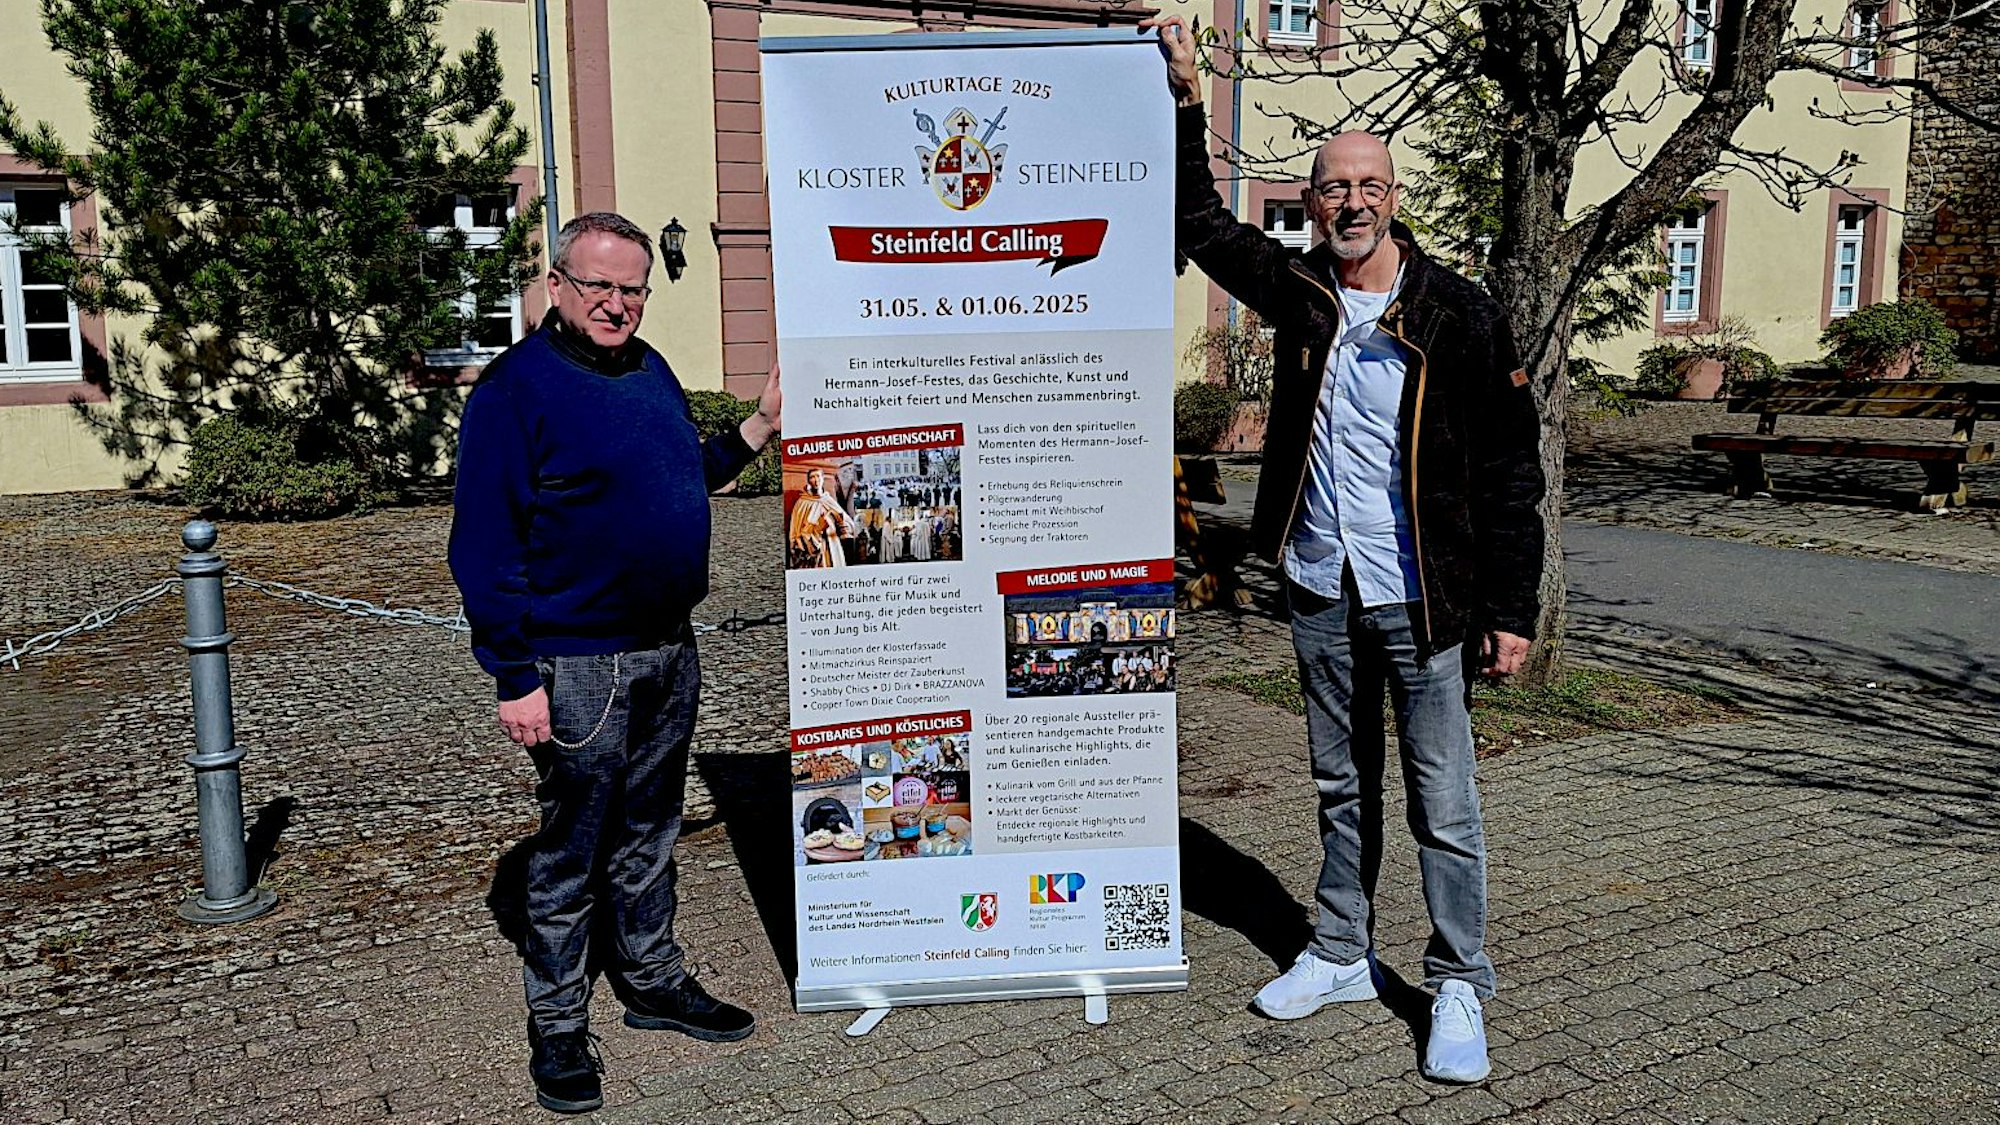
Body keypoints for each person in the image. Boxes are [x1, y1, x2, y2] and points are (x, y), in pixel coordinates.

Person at [1148, 18, 1545, 1085]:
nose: (1351, 203)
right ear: (1314, 203)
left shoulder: (1458, 315)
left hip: (1424, 597)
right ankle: (1337, 949)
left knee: (1443, 801)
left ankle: (1456, 980)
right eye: (1332, 189)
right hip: (1322, 582)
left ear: (1395, 197)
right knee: (1338, 781)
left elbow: (1512, 471)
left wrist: (1511, 610)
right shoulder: (1303, 293)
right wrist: (1186, 98)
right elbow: (1199, 222)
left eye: (1368, 186)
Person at [449, 211, 781, 1114]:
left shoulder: (650, 370)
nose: (616, 303)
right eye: (598, 284)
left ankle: (652, 977)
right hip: (577, 662)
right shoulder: (514, 392)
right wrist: (513, 674)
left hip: (670, 647)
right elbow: (483, 547)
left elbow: (682, 472)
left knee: (651, 827)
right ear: (556, 286)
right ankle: (558, 1020)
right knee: (574, 845)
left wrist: (756, 427)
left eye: (632, 288)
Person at [788, 468, 852, 568]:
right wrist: (818, 529)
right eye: (812, 477)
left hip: (832, 544)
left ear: (823, 479)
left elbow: (848, 522)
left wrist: (844, 525)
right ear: (808, 481)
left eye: (818, 476)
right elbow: (796, 533)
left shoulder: (828, 500)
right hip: (813, 550)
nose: (816, 480)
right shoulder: (802, 503)